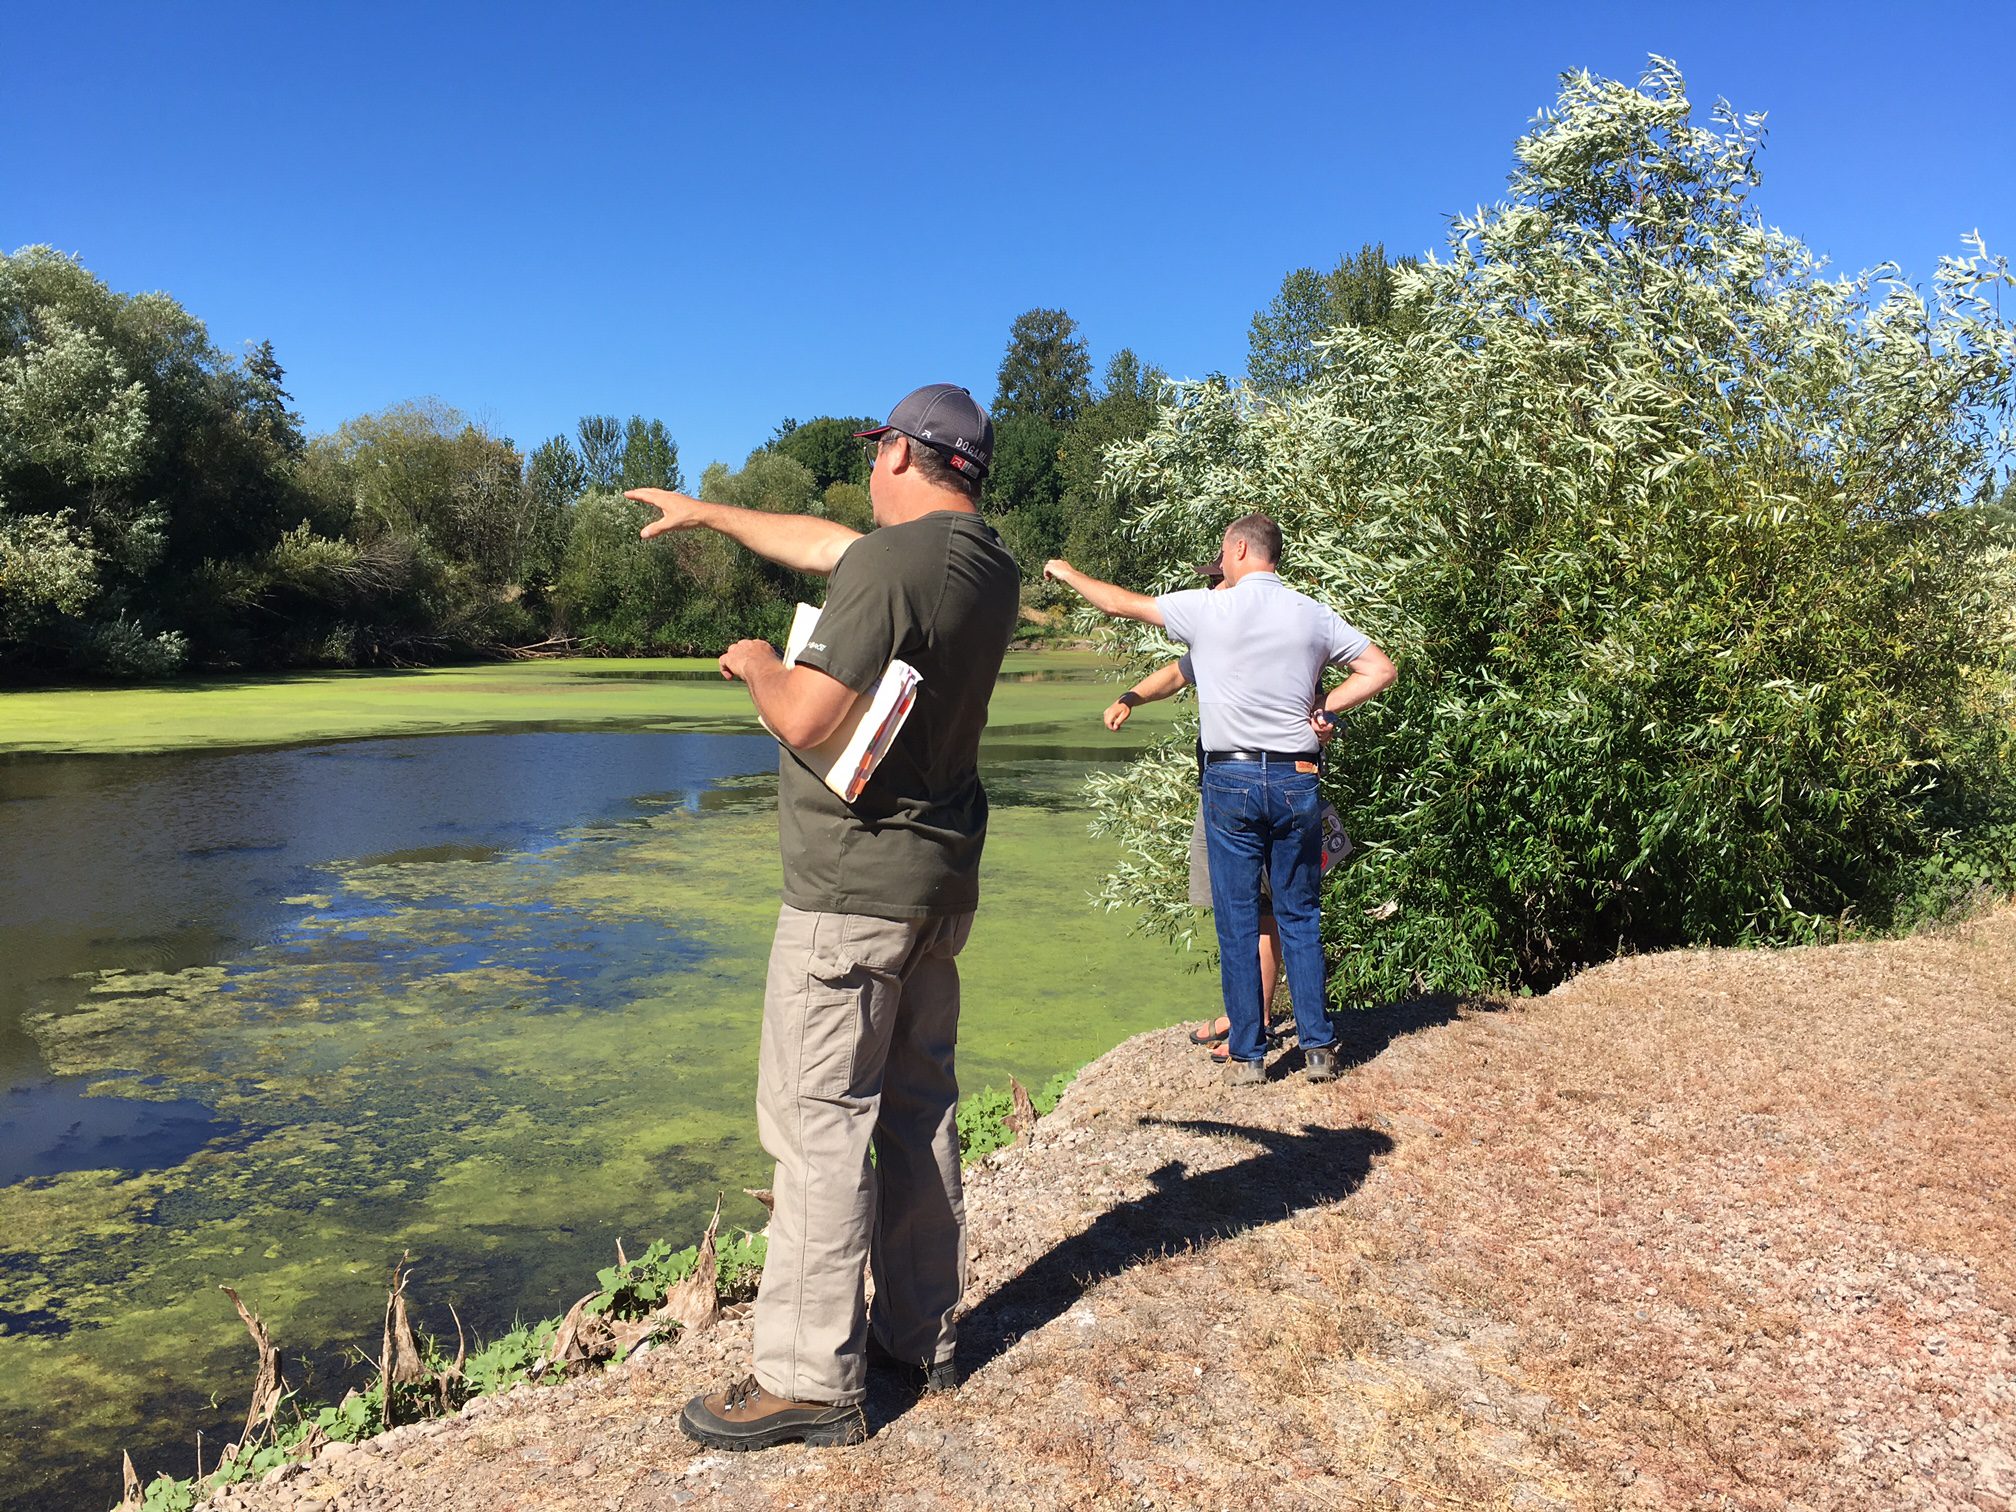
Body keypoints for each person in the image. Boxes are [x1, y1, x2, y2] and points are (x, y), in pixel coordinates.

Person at [627, 383, 1020, 1451]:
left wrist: (759, 662)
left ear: (896, 453)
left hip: (849, 897)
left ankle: (807, 1381)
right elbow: (824, 545)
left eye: (872, 451)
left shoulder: (893, 565)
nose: (865, 469)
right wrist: (711, 514)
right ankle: (921, 1336)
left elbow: (806, 716)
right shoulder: (981, 564)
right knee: (918, 1111)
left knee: (817, 1129)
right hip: (935, 889)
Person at [1045, 513, 1395, 1084]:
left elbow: (1117, 604)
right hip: (1297, 776)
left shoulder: (1209, 609)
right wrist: (1325, 706)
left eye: (1223, 551)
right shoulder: (1311, 613)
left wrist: (1066, 572)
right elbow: (1379, 669)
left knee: (1237, 918)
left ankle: (1249, 1057)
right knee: (1299, 913)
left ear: (1238, 549)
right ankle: (1318, 1049)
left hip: (1231, 779)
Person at [1100, 556, 1336, 1059]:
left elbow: (1319, 705)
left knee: (1261, 912)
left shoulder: (1262, 628)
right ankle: (1271, 1026)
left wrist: (1322, 721)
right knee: (1263, 912)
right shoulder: (1232, 631)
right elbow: (1176, 673)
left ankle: (1254, 1027)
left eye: (1217, 579)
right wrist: (1130, 697)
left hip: (1252, 788)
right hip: (1257, 789)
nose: (1210, 588)